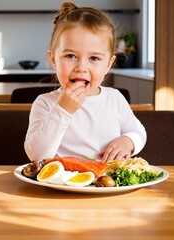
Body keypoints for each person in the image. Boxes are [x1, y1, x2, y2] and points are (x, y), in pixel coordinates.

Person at [24, 2, 146, 163]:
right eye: (70, 56)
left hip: (105, 184)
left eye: (94, 58)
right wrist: (62, 110)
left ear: (108, 64)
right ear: (53, 59)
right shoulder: (45, 103)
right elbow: (36, 155)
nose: (81, 67)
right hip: (61, 185)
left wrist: (128, 141)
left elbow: (138, 131)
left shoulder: (114, 99)